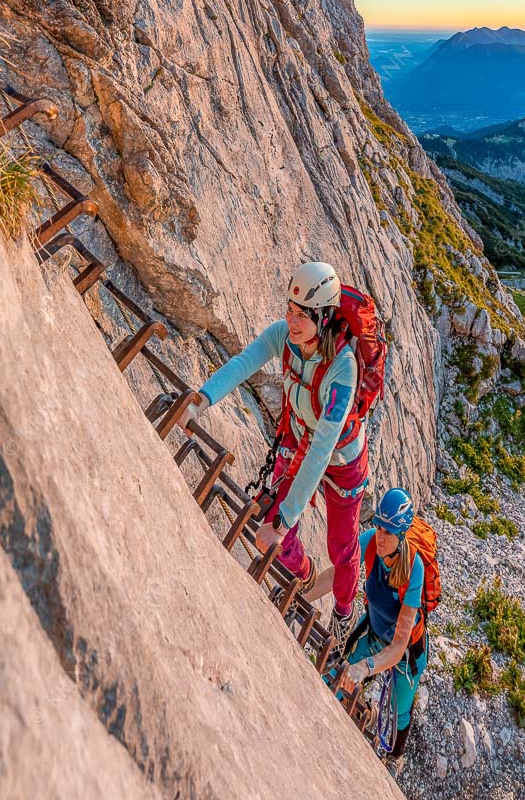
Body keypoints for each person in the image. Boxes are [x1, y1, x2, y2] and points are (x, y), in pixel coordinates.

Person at [188, 261, 369, 648]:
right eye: (289, 309)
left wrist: (286, 521)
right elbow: (244, 363)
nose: (291, 321)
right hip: (301, 440)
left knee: (341, 546)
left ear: (323, 317)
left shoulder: (343, 369)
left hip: (342, 462)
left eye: (302, 315)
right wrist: (201, 400)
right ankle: (305, 576)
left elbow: (323, 448)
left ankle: (343, 611)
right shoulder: (283, 337)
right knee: (270, 530)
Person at [337, 488, 429, 765]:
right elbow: (339, 574)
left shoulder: (414, 569)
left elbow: (399, 646)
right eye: (378, 527)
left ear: (402, 535)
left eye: (388, 532)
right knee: (342, 679)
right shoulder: (370, 543)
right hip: (375, 634)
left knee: (400, 711)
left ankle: (394, 757)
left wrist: (366, 667)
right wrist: (305, 587)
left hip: (407, 654)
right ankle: (351, 714)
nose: (380, 536)